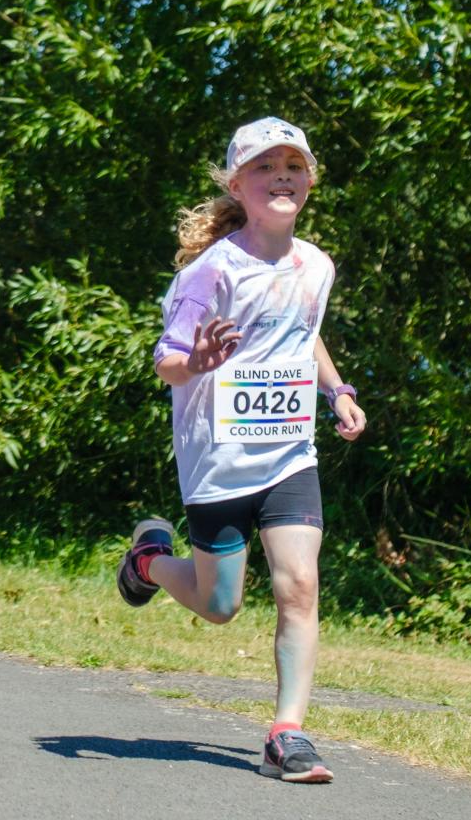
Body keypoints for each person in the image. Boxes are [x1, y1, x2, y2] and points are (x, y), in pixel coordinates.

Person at [117, 116, 365, 783]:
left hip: (289, 455)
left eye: (294, 165)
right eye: (264, 166)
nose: (282, 175)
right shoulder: (211, 272)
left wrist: (336, 391)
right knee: (221, 603)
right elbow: (167, 363)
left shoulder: (316, 265)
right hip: (219, 457)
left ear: (309, 180)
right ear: (238, 184)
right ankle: (147, 563)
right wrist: (196, 358)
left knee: (300, 584)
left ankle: (288, 733)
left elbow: (302, 333)